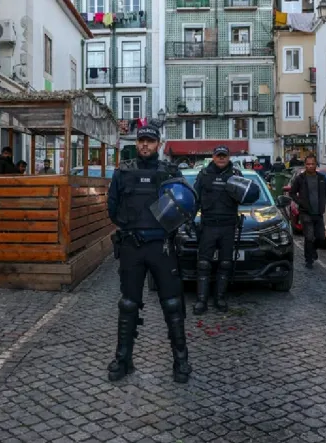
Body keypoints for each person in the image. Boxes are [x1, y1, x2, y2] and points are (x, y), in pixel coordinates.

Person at [106, 126, 192, 384]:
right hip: (132, 246)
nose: (145, 145)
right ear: (137, 142)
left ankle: (181, 361)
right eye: (142, 140)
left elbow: (186, 205)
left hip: (162, 247)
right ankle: (123, 360)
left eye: (150, 141)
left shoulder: (171, 172)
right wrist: (130, 226)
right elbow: (112, 207)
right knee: (128, 304)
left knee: (173, 304)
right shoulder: (123, 172)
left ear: (159, 144)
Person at [193, 145, 260, 314]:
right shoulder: (204, 175)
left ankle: (220, 298)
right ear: (213, 157)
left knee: (225, 263)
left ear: (229, 157)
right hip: (208, 225)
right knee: (203, 264)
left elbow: (247, 196)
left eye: (224, 155)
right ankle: (201, 300)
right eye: (218, 155)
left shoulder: (236, 176)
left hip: (228, 225)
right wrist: (188, 219)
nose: (221, 158)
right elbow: (194, 199)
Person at [289, 154, 326, 269]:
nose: (310, 166)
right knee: (309, 236)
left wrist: (323, 205)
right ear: (305, 165)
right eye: (308, 164)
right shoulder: (300, 179)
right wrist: (300, 202)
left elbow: (324, 194)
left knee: (320, 237)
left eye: (312, 164)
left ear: (316, 164)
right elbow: (292, 193)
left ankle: (313, 250)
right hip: (306, 212)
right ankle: (308, 259)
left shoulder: (321, 178)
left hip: (319, 212)